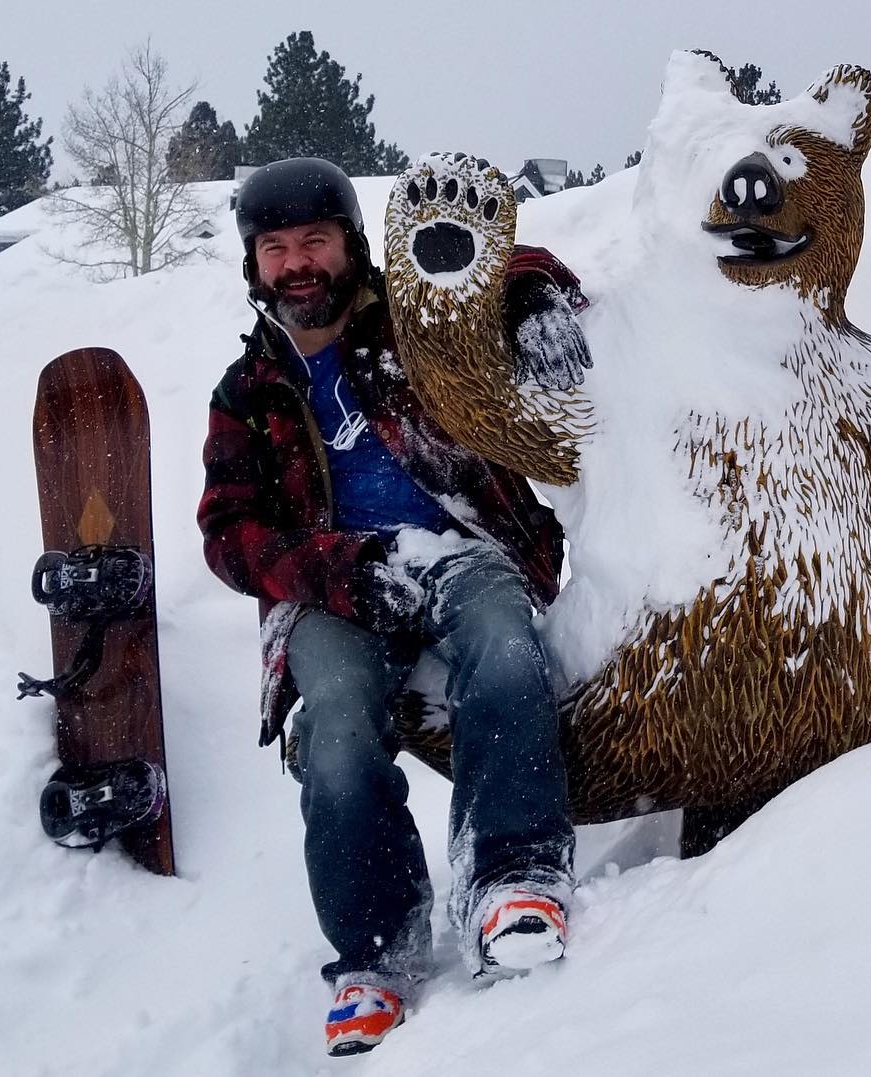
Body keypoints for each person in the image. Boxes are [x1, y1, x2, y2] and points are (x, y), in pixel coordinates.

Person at [197, 157, 591, 1056]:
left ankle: (514, 877)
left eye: (316, 242)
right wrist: (341, 568)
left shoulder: (413, 323)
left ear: (352, 246)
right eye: (276, 249)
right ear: (253, 265)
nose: (298, 263)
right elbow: (229, 530)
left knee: (502, 642)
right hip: (333, 589)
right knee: (333, 729)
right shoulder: (247, 392)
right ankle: (377, 955)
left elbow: (501, 262)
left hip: (461, 548)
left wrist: (537, 302)